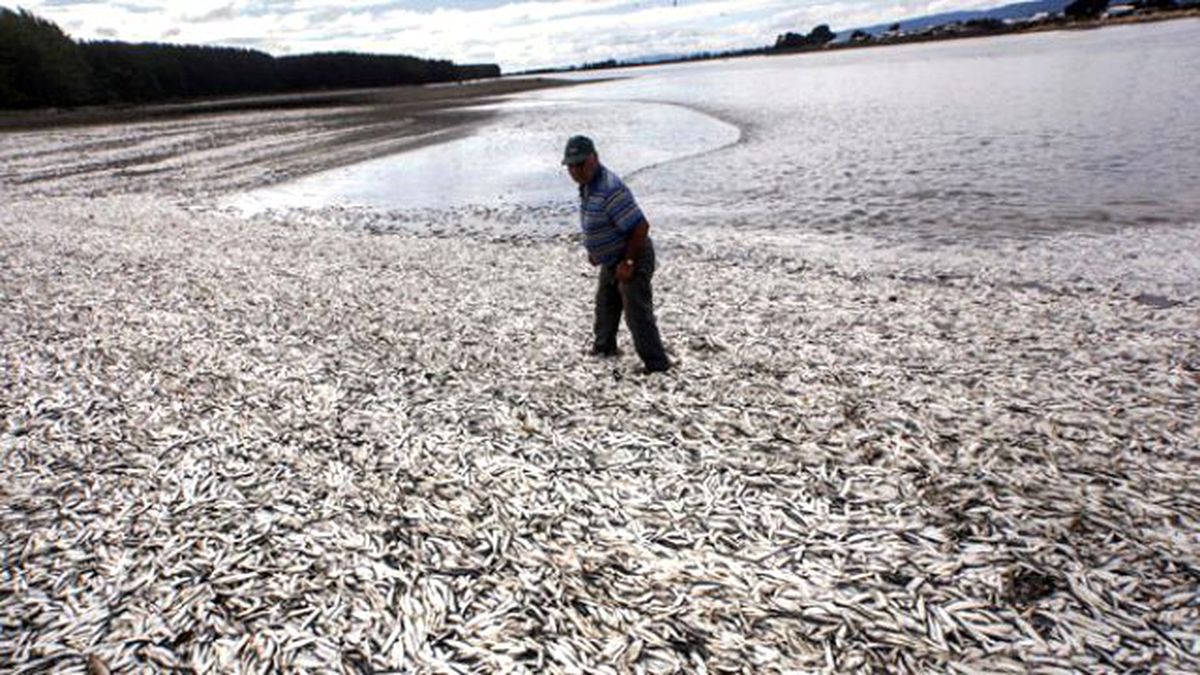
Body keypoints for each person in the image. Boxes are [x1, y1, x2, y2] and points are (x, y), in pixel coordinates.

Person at [562, 135, 671, 374]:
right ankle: (604, 348)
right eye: (571, 166)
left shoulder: (610, 189)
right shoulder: (588, 185)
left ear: (595, 158)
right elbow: (598, 221)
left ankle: (657, 365)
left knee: (637, 313)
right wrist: (595, 251)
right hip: (611, 259)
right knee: (606, 305)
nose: (576, 171)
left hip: (633, 255)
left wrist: (629, 262)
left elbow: (641, 227)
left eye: (580, 164)